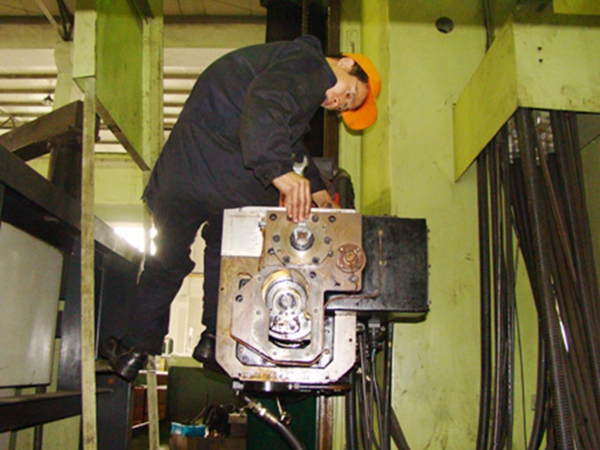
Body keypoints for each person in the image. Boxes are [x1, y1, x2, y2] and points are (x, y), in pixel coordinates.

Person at [100, 34, 381, 381]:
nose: (338, 103)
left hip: (183, 173)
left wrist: (319, 189)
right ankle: (214, 338)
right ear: (347, 63)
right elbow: (266, 103)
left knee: (168, 260)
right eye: (349, 94)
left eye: (343, 108)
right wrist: (278, 171)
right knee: (227, 257)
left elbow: (289, 138)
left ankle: (134, 350)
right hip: (232, 177)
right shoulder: (308, 60)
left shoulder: (290, 72)